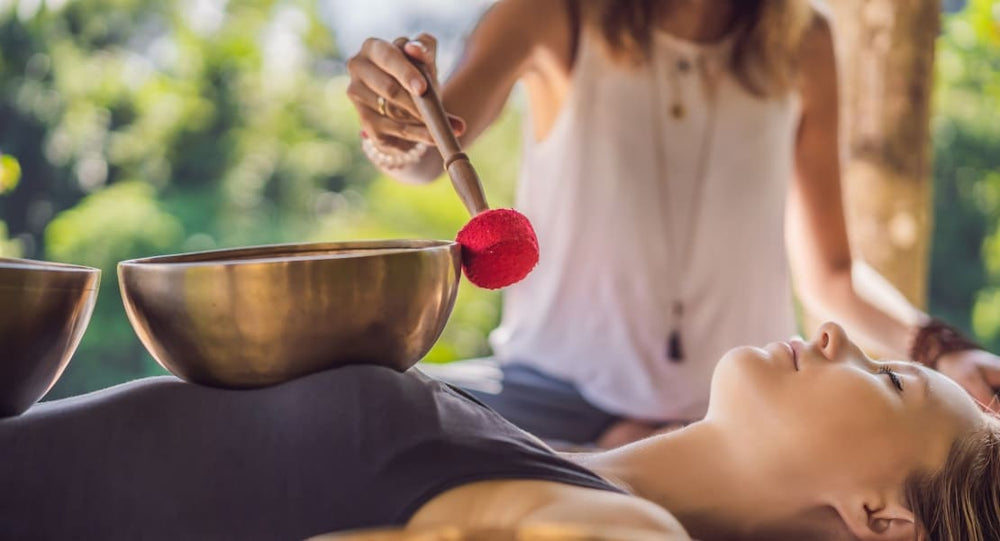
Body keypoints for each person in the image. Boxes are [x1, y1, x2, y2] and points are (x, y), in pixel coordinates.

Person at [345, 0, 1000, 447]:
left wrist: (944, 350)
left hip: (742, 422)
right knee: (354, 414)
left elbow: (831, 276)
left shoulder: (805, 40)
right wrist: (393, 117)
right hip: (546, 399)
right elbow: (429, 151)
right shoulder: (553, 14)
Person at [1, 322, 998, 540]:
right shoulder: (547, 456)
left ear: (882, 517)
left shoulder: (627, 533)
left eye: (889, 378)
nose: (836, 335)